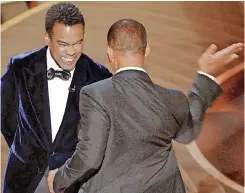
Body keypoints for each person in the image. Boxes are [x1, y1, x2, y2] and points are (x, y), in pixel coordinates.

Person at [48, 19, 243, 193]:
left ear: (109, 52)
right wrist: (205, 75)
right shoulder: (171, 98)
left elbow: (89, 157)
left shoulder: (95, 94)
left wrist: (59, 180)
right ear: (146, 49)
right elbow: (187, 133)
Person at [1, 3, 112, 193]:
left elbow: (103, 137)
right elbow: (5, 117)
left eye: (78, 42)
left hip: (72, 183)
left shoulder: (99, 77)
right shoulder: (20, 66)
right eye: (63, 44)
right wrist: (26, 150)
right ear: (47, 38)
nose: (71, 51)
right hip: (24, 178)